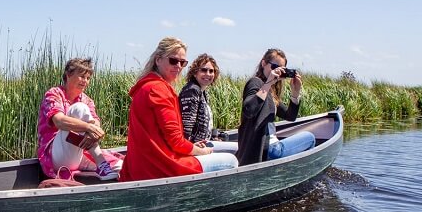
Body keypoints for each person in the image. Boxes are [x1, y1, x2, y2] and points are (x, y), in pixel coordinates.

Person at [119, 38, 238, 183]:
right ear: (158, 60)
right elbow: (176, 141)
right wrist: (202, 151)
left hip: (141, 165)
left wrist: (192, 147)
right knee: (231, 161)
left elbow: (166, 138)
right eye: (173, 61)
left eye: (183, 63)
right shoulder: (158, 90)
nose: (179, 66)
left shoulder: (145, 87)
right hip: (159, 166)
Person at [36, 57, 122, 181]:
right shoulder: (54, 94)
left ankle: (102, 168)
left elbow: (96, 122)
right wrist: (88, 127)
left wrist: (92, 132)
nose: (85, 81)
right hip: (56, 155)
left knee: (120, 166)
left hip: (78, 153)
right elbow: (59, 121)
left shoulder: (87, 100)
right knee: (79, 108)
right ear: (68, 75)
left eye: (88, 78)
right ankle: (101, 163)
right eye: (82, 76)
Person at [235, 48, 316, 166]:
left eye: (282, 69)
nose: (277, 71)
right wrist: (268, 83)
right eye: (274, 67)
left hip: (268, 149)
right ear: (263, 63)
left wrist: (295, 93)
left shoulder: (270, 92)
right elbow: (249, 110)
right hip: (268, 150)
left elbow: (290, 116)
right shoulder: (255, 83)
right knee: (310, 137)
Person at [179, 53, 238, 154]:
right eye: (203, 70)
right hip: (195, 147)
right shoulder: (192, 91)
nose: (208, 74)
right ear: (195, 73)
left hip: (204, 143)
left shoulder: (203, 92)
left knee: (240, 147)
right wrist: (191, 149)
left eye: (211, 71)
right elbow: (187, 126)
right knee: (240, 150)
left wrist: (214, 136)